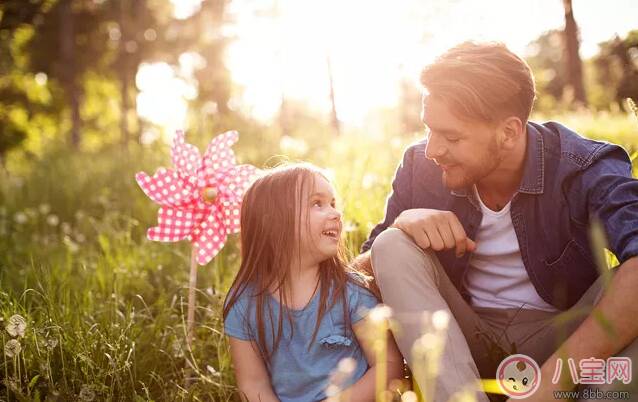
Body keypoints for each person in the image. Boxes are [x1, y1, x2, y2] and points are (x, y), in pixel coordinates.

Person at [354, 42, 638, 402]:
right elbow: (356, 281)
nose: (432, 150)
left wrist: (546, 389)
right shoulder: (420, 167)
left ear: (508, 132)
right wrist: (403, 225)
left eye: (451, 136)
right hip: (465, 344)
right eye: (430, 130)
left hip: (566, 346)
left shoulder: (584, 166)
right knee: (391, 245)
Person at [223, 163, 403, 402]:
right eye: (316, 203)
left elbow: (388, 366)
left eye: (333, 203)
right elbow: (252, 384)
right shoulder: (245, 304)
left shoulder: (351, 293)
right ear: (271, 222)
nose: (335, 213)